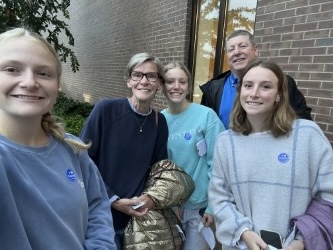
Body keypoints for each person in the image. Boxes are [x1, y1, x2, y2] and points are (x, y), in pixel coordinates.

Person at [0, 28, 116, 249]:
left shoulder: (72, 149)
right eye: (12, 69)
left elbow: (97, 205)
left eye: (43, 73)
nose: (30, 82)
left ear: (57, 85)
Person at [209, 60, 333, 250]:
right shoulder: (225, 142)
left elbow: (328, 196)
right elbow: (220, 197)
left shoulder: (308, 135)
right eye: (248, 85)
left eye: (265, 87)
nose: (254, 93)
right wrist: (243, 232)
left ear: (279, 95)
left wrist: (302, 241)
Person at [80, 52, 169, 249]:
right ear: (129, 80)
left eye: (151, 76)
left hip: (137, 222)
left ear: (159, 84)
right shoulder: (106, 109)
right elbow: (82, 160)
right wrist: (114, 200)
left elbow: (159, 169)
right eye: (137, 75)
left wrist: (150, 198)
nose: (144, 81)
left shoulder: (159, 121)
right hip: (101, 219)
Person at [161, 62, 225, 250]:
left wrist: (213, 206)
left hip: (201, 208)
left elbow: (220, 164)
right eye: (170, 81)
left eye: (182, 81)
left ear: (188, 86)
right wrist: (170, 204)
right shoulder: (158, 120)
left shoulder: (206, 116)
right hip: (172, 209)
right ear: (162, 86)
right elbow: (159, 168)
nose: (176, 87)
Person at [200, 29, 312, 129]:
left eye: (242, 46)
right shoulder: (213, 89)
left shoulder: (283, 83)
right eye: (231, 49)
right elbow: (206, 127)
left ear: (256, 50)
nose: (237, 52)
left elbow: (301, 121)